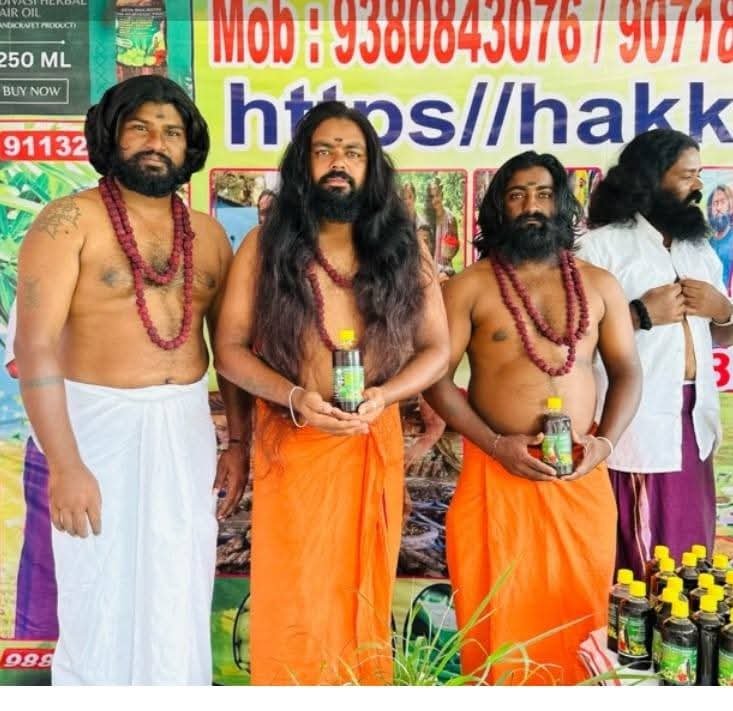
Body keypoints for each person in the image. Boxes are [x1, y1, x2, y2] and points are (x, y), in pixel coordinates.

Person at [13, 75, 249, 685]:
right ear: (111, 137)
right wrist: (65, 466)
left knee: (180, 584)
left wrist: (237, 443)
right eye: (140, 127)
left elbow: (229, 353)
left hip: (185, 429)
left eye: (171, 132)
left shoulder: (209, 236)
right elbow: (33, 348)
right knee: (97, 589)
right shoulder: (67, 221)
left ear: (188, 147)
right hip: (95, 427)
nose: (156, 142)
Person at [215, 100, 449, 685]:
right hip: (293, 446)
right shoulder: (264, 247)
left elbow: (437, 349)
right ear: (304, 165)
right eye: (323, 151)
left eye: (351, 152)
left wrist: (387, 394)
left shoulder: (403, 249)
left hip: (373, 440)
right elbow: (231, 351)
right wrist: (295, 398)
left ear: (371, 166)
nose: (337, 163)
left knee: (361, 592)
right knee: (295, 596)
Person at [424, 151, 642, 684]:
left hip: (580, 479)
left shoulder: (600, 284)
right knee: (497, 620)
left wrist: (605, 445)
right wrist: (495, 444)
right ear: (499, 207)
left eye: (543, 194)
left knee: (580, 612)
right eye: (517, 195)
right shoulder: (469, 286)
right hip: (495, 478)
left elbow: (627, 373)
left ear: (562, 205)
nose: (531, 206)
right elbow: (435, 381)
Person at [578, 128, 733, 578]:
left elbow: (720, 335)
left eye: (698, 174)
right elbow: (571, 338)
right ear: (650, 179)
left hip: (694, 421)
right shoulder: (599, 248)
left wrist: (723, 311)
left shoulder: (697, 249)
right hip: (636, 422)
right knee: (642, 560)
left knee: (691, 559)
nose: (698, 186)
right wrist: (640, 314)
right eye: (687, 176)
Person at [424, 177, 460, 277]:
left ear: (442, 195)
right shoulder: (426, 219)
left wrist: (451, 251)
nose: (435, 200)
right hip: (430, 271)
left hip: (446, 271)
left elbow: (456, 245)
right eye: (431, 197)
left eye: (437, 195)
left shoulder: (450, 219)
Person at [707, 184, 733, 292]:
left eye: (722, 202)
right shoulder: (708, 242)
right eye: (715, 203)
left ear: (730, 207)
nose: (718, 208)